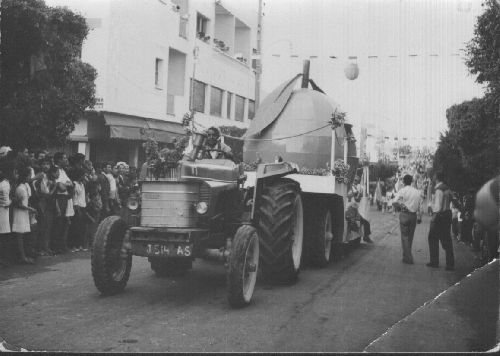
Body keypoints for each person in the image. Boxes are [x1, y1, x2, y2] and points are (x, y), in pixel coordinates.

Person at [426, 171, 454, 270]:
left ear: (436, 177)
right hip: (447, 214)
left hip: (439, 216)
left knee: (432, 238)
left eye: (434, 176)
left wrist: (433, 216)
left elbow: (438, 206)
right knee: (447, 239)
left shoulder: (438, 189)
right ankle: (450, 264)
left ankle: (434, 261)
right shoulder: (446, 187)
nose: (433, 177)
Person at [393, 174, 422, 264]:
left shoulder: (402, 191)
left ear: (404, 182)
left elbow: (394, 202)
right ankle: (406, 256)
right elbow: (420, 206)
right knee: (410, 237)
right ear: (412, 181)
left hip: (404, 214)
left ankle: (408, 257)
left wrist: (401, 206)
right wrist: (420, 217)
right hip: (413, 215)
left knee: (404, 237)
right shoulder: (417, 192)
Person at [11, 166, 37, 264]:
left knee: (23, 235)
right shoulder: (20, 188)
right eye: (29, 175)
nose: (30, 177)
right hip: (19, 214)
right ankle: (22, 257)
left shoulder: (25, 186)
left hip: (24, 213)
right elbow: (18, 205)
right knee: (19, 236)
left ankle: (24, 256)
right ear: (25, 176)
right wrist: (30, 209)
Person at [349, 176, 373, 243]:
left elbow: (366, 193)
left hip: (358, 207)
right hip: (351, 207)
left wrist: (368, 195)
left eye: (356, 180)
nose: (355, 181)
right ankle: (365, 236)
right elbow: (354, 195)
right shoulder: (351, 187)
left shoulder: (360, 186)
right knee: (361, 218)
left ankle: (366, 236)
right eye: (354, 180)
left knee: (365, 219)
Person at [0, 163, 12, 266]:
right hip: (2, 210)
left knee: (4, 234)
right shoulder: (4, 184)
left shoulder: (6, 183)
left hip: (4, 211)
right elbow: (5, 201)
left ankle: (4, 258)